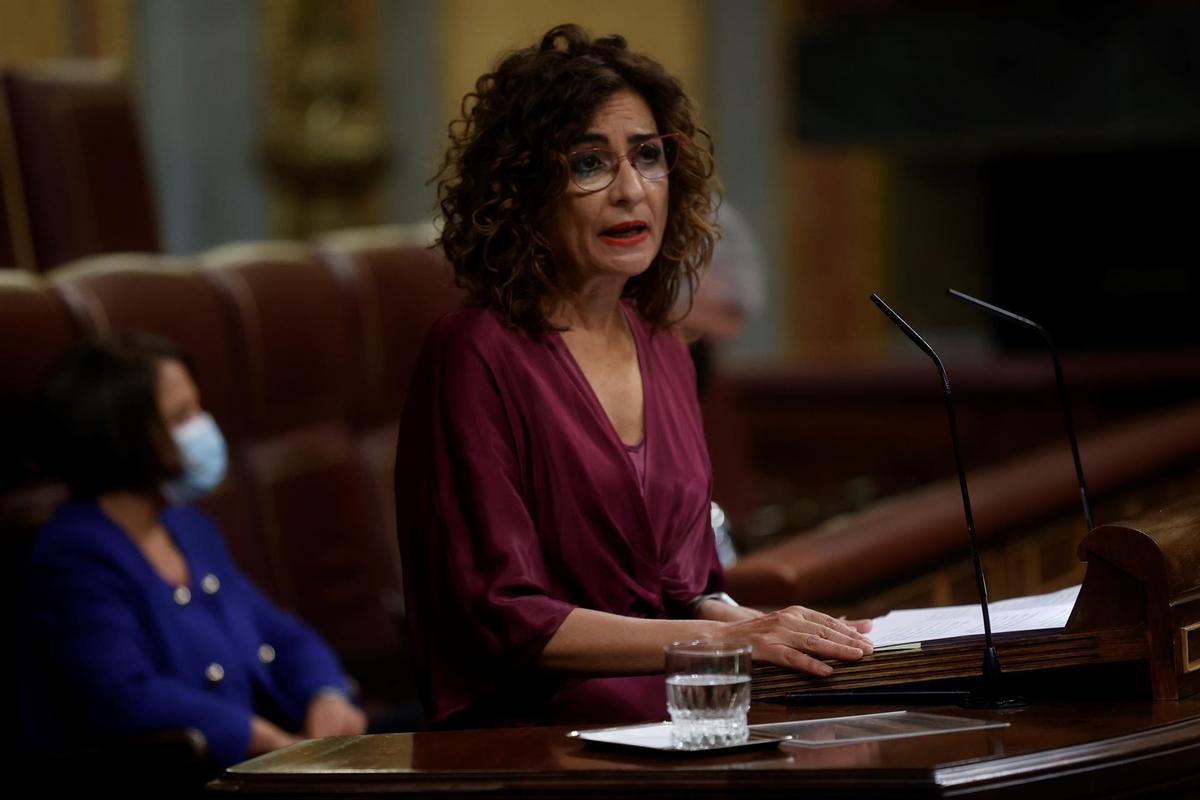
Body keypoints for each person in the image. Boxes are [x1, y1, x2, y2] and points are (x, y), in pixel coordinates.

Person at [394, 24, 873, 730]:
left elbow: (686, 587)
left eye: (648, 157)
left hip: (676, 704)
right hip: (537, 732)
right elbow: (503, 615)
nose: (630, 190)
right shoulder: (475, 352)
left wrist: (769, 627)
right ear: (524, 190)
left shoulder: (666, 346)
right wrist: (727, 639)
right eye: (589, 164)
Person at [23, 333, 367, 767]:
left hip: (273, 761)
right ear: (123, 439)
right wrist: (267, 740)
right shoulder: (73, 557)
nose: (204, 427)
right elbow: (123, 696)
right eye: (183, 415)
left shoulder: (187, 525)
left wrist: (326, 693)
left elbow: (279, 633)